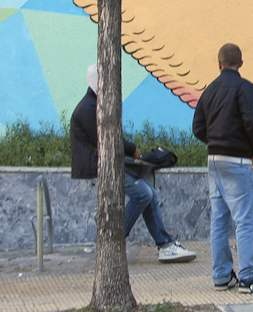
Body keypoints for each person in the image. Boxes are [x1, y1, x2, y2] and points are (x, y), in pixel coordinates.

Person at [70, 64, 196, 263]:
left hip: (109, 163)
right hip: (99, 165)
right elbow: (106, 139)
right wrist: (132, 150)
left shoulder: (97, 104)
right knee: (143, 193)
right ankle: (113, 240)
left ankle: (165, 245)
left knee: (150, 194)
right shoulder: (88, 108)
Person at [193, 44, 253, 293]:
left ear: (219, 63)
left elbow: (198, 127)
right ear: (241, 63)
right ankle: (248, 276)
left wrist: (215, 142)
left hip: (214, 160)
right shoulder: (245, 88)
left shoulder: (209, 90)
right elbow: (252, 121)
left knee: (219, 220)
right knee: (245, 220)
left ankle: (221, 276)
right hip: (238, 161)